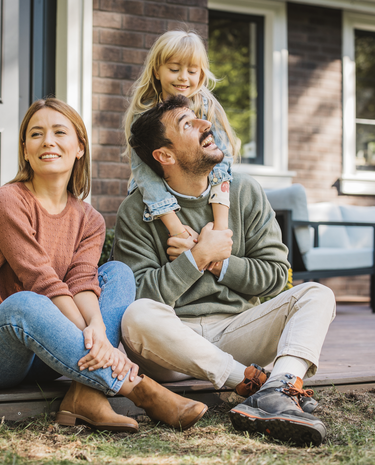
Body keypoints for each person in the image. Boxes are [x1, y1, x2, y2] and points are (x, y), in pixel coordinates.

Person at [0, 98, 208, 434]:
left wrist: (98, 329)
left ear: (79, 148)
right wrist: (99, 341)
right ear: (25, 150)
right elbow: (40, 279)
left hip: (49, 351)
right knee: (28, 303)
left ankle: (85, 395)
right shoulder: (5, 201)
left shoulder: (89, 219)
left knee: (118, 273)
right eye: (36, 134)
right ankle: (142, 390)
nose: (48, 142)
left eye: (59, 132)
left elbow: (81, 281)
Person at [114, 95, 336, 446]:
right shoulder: (136, 210)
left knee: (317, 294)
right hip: (172, 342)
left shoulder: (245, 192)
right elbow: (137, 293)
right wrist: (196, 259)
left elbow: (277, 273)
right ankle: (249, 383)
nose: (206, 125)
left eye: (199, 118)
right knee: (136, 315)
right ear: (165, 156)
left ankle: (280, 386)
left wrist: (220, 262)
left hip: (238, 330)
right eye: (187, 124)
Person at [123, 30, 238, 250]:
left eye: (192, 71)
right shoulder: (144, 116)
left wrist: (220, 228)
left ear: (201, 75)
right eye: (174, 69)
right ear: (157, 71)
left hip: (205, 199)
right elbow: (146, 177)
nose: (183, 77)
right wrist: (178, 231)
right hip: (156, 200)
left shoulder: (208, 109)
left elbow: (222, 162)